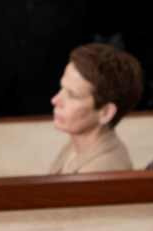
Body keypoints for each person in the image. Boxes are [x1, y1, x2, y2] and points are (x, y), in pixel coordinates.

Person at [49, 43, 144, 175]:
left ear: (105, 113)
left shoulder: (101, 171)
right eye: (62, 88)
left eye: (73, 95)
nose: (55, 100)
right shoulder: (79, 146)